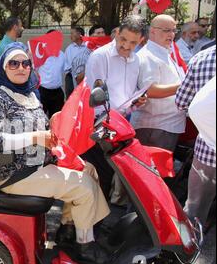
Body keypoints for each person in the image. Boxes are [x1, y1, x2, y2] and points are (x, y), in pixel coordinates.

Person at [0, 42, 111, 264]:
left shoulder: (30, 94)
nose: (21, 68)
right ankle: (84, 245)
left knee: (89, 171)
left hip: (39, 164)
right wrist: (34, 137)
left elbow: (44, 129)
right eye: (13, 63)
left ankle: (68, 231)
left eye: (25, 63)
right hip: (17, 173)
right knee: (84, 187)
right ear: (3, 68)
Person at [84, 15, 148, 199]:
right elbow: (94, 98)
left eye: (133, 43)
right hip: (99, 125)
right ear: (117, 33)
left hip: (122, 126)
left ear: (141, 40)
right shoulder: (100, 56)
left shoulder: (136, 60)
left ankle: (99, 221)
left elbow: (127, 93)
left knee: (110, 174)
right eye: (123, 39)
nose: (126, 46)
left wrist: (137, 101)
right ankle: (89, 225)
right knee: (98, 174)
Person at [132, 15, 186, 153]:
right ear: (152, 31)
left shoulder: (165, 53)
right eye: (166, 30)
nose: (171, 34)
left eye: (174, 30)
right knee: (155, 171)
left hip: (166, 125)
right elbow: (150, 90)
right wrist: (185, 86)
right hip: (156, 126)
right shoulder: (148, 56)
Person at [176, 46, 216, 231]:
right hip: (206, 147)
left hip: (207, 149)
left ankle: (188, 245)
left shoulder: (201, 58)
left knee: (195, 207)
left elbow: (181, 102)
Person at [38, 29, 67, 118]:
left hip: (57, 92)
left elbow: (65, 71)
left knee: (56, 119)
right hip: (43, 92)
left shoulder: (62, 55)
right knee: (41, 119)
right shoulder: (40, 54)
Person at [64, 27, 88, 96]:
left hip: (86, 76)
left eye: (72, 33)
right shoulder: (69, 49)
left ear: (79, 34)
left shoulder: (88, 46)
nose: (70, 36)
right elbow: (68, 65)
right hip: (71, 78)